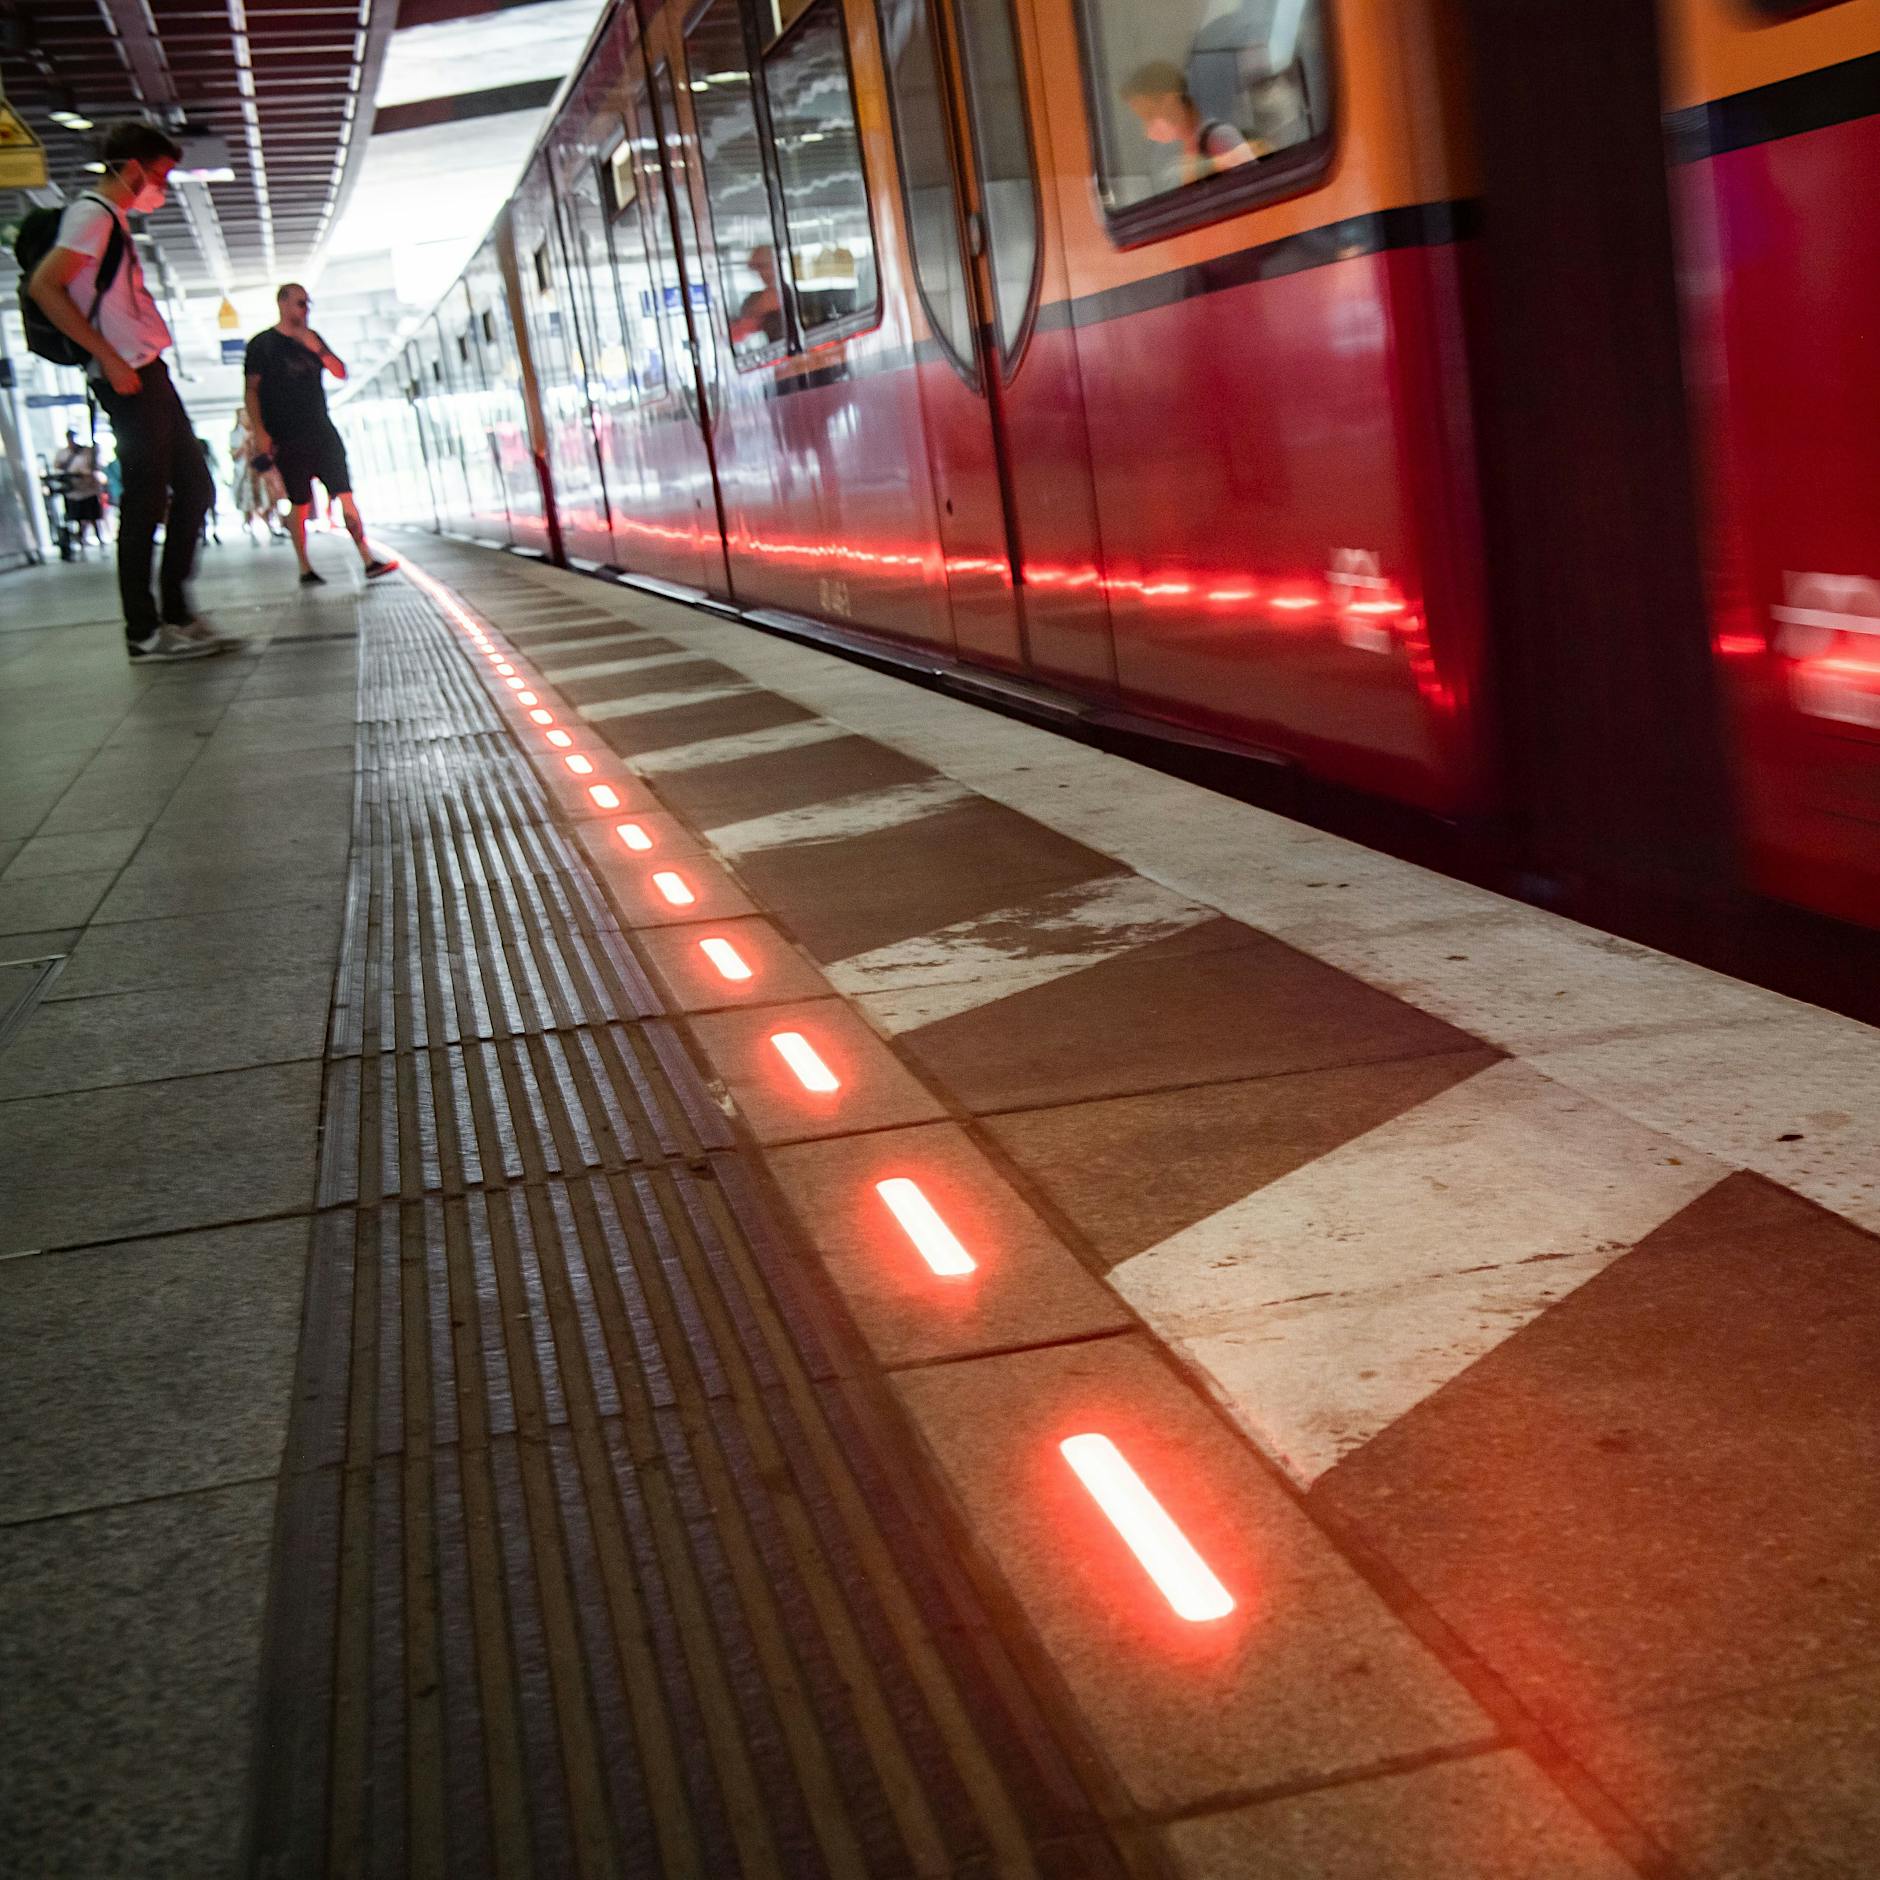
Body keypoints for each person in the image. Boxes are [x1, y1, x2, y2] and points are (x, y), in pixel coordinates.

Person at [26, 121, 228, 661]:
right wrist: (109, 357)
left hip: (146, 370)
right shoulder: (92, 215)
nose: (162, 185)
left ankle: (175, 614)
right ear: (135, 168)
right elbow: (44, 285)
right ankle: (144, 631)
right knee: (144, 504)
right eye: (160, 174)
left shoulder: (110, 219)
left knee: (195, 489)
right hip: (127, 376)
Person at [243, 284, 396, 587]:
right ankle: (304, 568)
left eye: (307, 304)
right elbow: (251, 391)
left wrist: (318, 348)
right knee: (299, 502)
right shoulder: (262, 344)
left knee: (345, 494)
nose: (305, 309)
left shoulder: (313, 340)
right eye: (299, 303)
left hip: (321, 430)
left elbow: (340, 372)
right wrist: (261, 433)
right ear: (282, 303)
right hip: (287, 436)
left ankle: (367, 559)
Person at [1122, 62, 1258, 187]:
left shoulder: (1218, 136)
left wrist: (1222, 162)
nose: (1147, 131)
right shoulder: (1168, 151)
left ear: (1171, 101)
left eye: (1149, 115)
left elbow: (1254, 185)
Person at [51, 428, 106, 551]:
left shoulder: (87, 451)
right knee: (78, 518)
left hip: (88, 489)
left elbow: (96, 465)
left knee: (93, 517)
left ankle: (99, 539)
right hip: (73, 490)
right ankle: (81, 540)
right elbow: (57, 466)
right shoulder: (63, 453)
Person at [729, 245, 784, 351]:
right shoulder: (754, 300)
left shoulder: (784, 295)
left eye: (764, 266)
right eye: (758, 268)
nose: (762, 273)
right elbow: (738, 333)